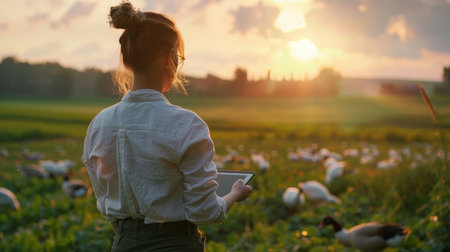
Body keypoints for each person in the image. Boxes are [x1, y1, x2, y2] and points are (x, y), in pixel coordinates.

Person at [82, 1, 252, 251]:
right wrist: (235, 194)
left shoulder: (99, 124)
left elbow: (105, 200)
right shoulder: (187, 125)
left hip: (123, 243)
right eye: (178, 56)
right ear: (168, 57)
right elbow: (204, 213)